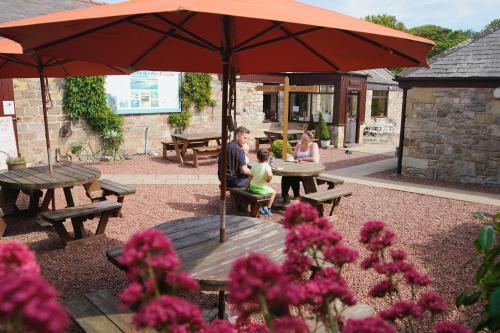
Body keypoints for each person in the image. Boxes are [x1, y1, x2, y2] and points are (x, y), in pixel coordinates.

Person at [281, 130, 320, 203]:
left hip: (310, 170)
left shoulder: (313, 145)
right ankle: (285, 195)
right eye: (301, 138)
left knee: (293, 175)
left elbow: (314, 159)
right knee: (286, 175)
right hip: (299, 169)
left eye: (304, 139)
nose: (302, 140)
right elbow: (294, 156)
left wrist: (301, 159)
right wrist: (290, 156)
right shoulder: (299, 144)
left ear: (310, 140)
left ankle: (296, 196)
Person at [248, 149, 276, 217]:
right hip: (260, 189)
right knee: (273, 192)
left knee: (267, 189)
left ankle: (261, 206)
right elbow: (269, 176)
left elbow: (250, 176)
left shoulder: (254, 164)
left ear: (257, 157)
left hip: (252, 187)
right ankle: (268, 208)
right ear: (268, 158)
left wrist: (248, 185)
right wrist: (268, 179)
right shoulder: (267, 167)